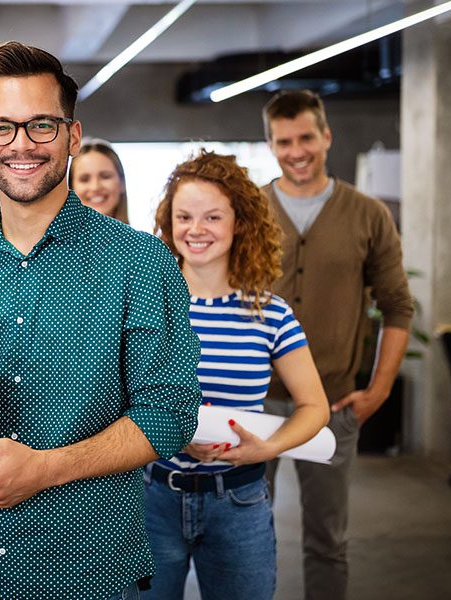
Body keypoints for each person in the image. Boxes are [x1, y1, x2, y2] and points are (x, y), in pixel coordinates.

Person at [0, 41, 201, 600]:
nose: (21, 144)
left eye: (41, 125)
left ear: (72, 135)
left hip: (92, 572)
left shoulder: (140, 264)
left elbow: (168, 417)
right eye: (2, 127)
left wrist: (43, 469)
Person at [145, 150, 329, 599]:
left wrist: (266, 448)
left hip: (239, 500)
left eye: (212, 217)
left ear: (238, 223)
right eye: (184, 216)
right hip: (154, 500)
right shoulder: (149, 304)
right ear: (169, 223)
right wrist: (163, 432)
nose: (196, 229)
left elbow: (315, 407)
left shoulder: (271, 314)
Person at [261, 90, 413, 600]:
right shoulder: (249, 210)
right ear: (271, 144)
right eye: (284, 141)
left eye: (307, 137)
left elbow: (397, 307)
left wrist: (379, 390)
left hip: (330, 405)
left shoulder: (368, 215)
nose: (297, 151)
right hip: (252, 404)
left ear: (327, 136)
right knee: (244, 536)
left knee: (327, 540)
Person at [69, 137, 129, 222]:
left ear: (122, 182)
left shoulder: (141, 235)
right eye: (85, 179)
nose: (95, 187)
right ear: (71, 187)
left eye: (105, 176)